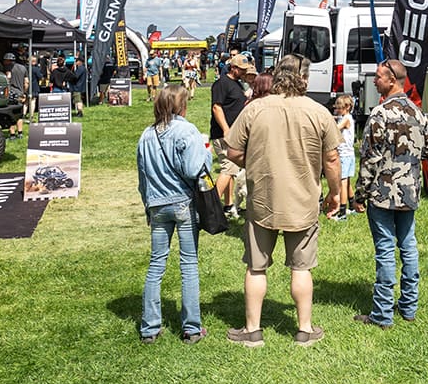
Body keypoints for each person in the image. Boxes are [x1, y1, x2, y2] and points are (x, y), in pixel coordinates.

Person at [224, 53, 342, 347]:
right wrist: (335, 193)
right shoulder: (319, 112)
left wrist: (255, 160)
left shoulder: (255, 109)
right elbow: (331, 159)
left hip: (263, 199)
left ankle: (252, 330)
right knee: (301, 267)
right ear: (305, 78)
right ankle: (304, 329)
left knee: (256, 266)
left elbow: (233, 152)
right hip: (303, 200)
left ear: (278, 76)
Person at [351, 59, 428, 329]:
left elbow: (370, 158)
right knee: (408, 247)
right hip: (409, 192)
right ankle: (409, 307)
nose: (374, 81)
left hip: (382, 193)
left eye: (378, 77)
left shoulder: (380, 114)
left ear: (392, 80)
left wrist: (359, 195)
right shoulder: (418, 112)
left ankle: (382, 314)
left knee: (385, 250)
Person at [135, 85, 210, 343]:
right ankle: (191, 328)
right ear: (182, 106)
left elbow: (143, 177)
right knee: (188, 264)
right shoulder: (186, 130)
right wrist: (206, 152)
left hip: (157, 204)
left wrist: (147, 206)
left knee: (156, 264)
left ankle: (150, 327)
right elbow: (193, 169)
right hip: (183, 202)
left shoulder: (146, 135)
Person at [211, 52, 254, 215]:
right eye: (241, 69)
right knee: (228, 169)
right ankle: (210, 209)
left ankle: (228, 205)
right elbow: (217, 107)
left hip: (233, 134)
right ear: (233, 68)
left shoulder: (237, 84)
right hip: (224, 135)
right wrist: (226, 129)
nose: (244, 72)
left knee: (229, 169)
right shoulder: (222, 83)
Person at [330, 94, 356, 221]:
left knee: (342, 183)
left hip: (344, 155)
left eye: (340, 108)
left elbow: (335, 129)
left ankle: (342, 212)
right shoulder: (347, 117)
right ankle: (352, 206)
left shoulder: (346, 119)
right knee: (348, 182)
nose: (338, 110)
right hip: (350, 154)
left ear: (347, 107)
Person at [1, 52, 28, 136]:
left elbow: (8, 77)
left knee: (10, 115)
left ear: (7, 60)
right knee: (19, 114)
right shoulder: (23, 68)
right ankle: (20, 133)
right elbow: (26, 82)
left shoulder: (7, 68)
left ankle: (12, 134)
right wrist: (24, 93)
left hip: (11, 93)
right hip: (20, 93)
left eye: (4, 60)